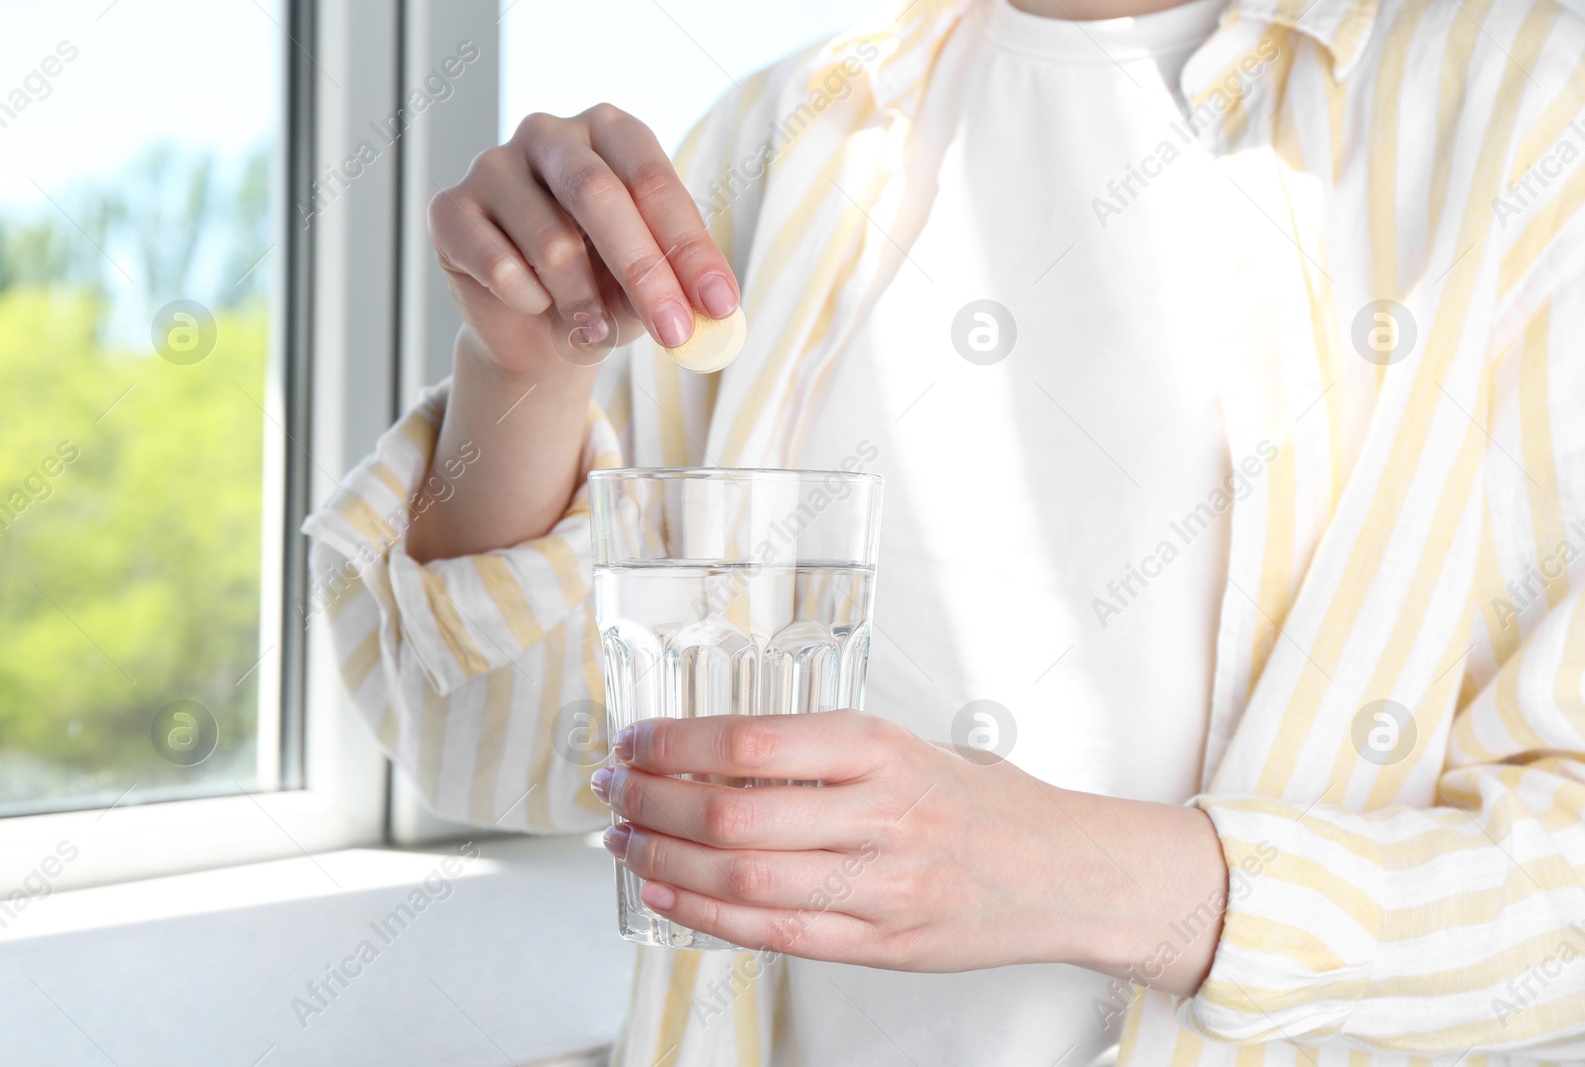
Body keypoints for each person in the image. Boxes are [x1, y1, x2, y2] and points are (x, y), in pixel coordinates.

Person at [302, 0, 1585, 1061]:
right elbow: (500, 754)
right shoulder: (781, 136)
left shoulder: (1535, 114)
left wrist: (1065, 870)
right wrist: (525, 369)